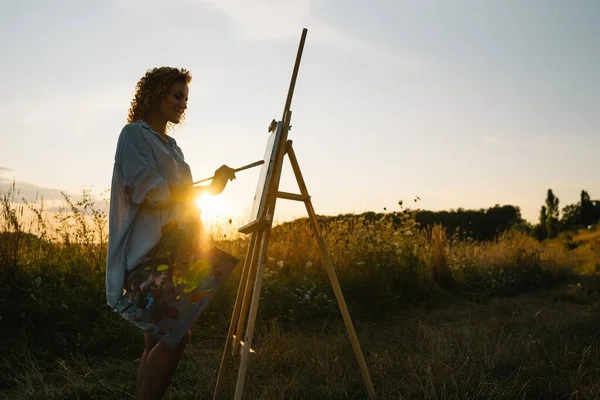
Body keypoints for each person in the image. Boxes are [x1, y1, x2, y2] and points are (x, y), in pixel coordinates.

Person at [105, 66, 239, 399]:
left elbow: (181, 197)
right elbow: (150, 191)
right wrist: (197, 188)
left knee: (157, 336)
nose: (183, 104)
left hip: (176, 250)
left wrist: (214, 187)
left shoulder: (173, 147)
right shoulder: (134, 135)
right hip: (149, 251)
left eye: (186, 99)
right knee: (175, 336)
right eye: (176, 95)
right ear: (155, 94)